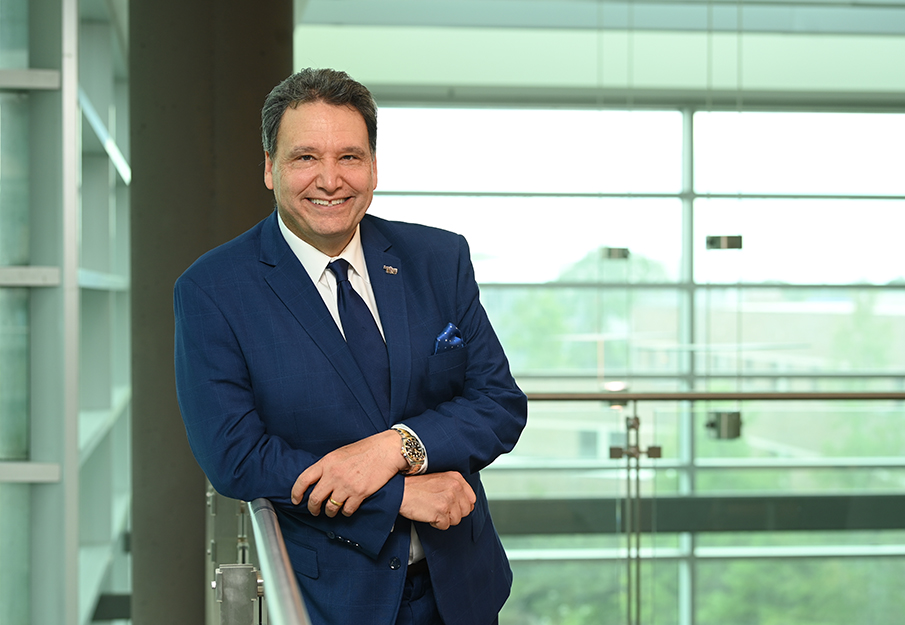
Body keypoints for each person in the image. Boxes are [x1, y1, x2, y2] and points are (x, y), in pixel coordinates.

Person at [174, 68, 528, 625]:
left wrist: (395, 448)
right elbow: (236, 457)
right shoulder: (213, 289)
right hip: (330, 598)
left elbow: (498, 403)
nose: (330, 179)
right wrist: (399, 498)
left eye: (350, 157)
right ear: (270, 168)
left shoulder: (438, 259)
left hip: (460, 585)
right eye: (305, 157)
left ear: (374, 167)